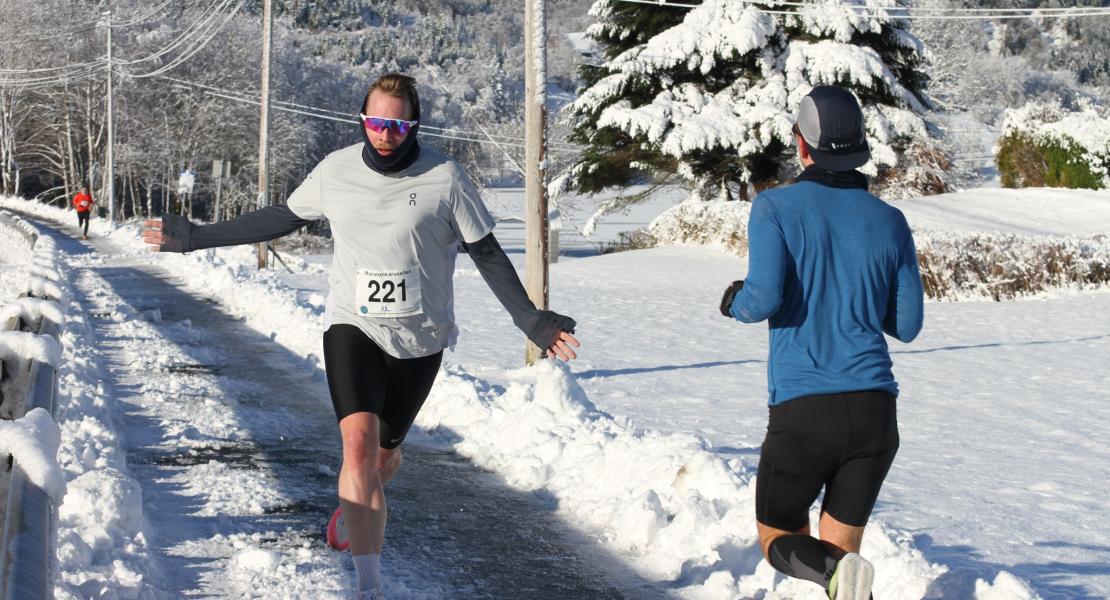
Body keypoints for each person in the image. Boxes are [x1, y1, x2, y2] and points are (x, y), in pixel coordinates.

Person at [141, 73, 580, 600]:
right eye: (375, 122)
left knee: (380, 458)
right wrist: (194, 237)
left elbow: (485, 252)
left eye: (396, 124)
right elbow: (281, 217)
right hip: (354, 324)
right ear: (362, 120)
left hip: (420, 337)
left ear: (412, 124)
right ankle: (368, 586)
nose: (385, 134)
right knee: (357, 448)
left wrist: (530, 320)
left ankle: (358, 500)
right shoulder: (336, 171)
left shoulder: (445, 176)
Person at [719, 86, 924, 600]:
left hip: (806, 409)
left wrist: (733, 300)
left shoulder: (776, 208)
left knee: (780, 536)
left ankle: (833, 575)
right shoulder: (890, 221)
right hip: (876, 413)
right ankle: (840, 578)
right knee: (844, 558)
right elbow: (909, 323)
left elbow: (762, 299)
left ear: (802, 146)